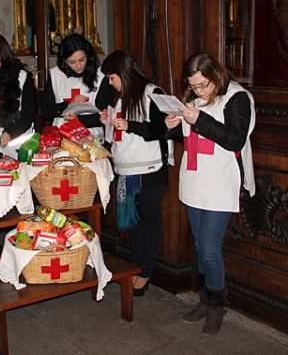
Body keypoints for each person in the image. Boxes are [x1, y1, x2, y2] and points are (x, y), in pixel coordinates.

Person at [165, 53, 255, 334]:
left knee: (209, 249)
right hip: (194, 181)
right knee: (198, 247)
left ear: (215, 74)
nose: (199, 91)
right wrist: (173, 129)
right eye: (194, 87)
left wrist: (199, 119)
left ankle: (217, 305)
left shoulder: (237, 98)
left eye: (204, 85)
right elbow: (194, 139)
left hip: (219, 183)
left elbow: (233, 139)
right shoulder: (192, 101)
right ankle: (205, 299)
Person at [99, 50, 174, 297]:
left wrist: (130, 125)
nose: (110, 83)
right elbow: (114, 136)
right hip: (125, 168)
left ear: (123, 73)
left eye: (112, 77)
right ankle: (137, 266)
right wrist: (106, 120)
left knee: (149, 222)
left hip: (149, 169)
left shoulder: (152, 93)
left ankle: (145, 272)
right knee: (135, 224)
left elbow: (160, 130)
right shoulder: (117, 97)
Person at [42, 34, 113, 136]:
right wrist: (69, 104)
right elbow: (47, 112)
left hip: (92, 135)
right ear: (64, 61)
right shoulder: (55, 75)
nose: (78, 65)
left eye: (82, 60)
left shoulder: (101, 75)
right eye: (72, 62)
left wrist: (78, 120)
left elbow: (104, 114)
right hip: (62, 134)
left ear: (88, 56)